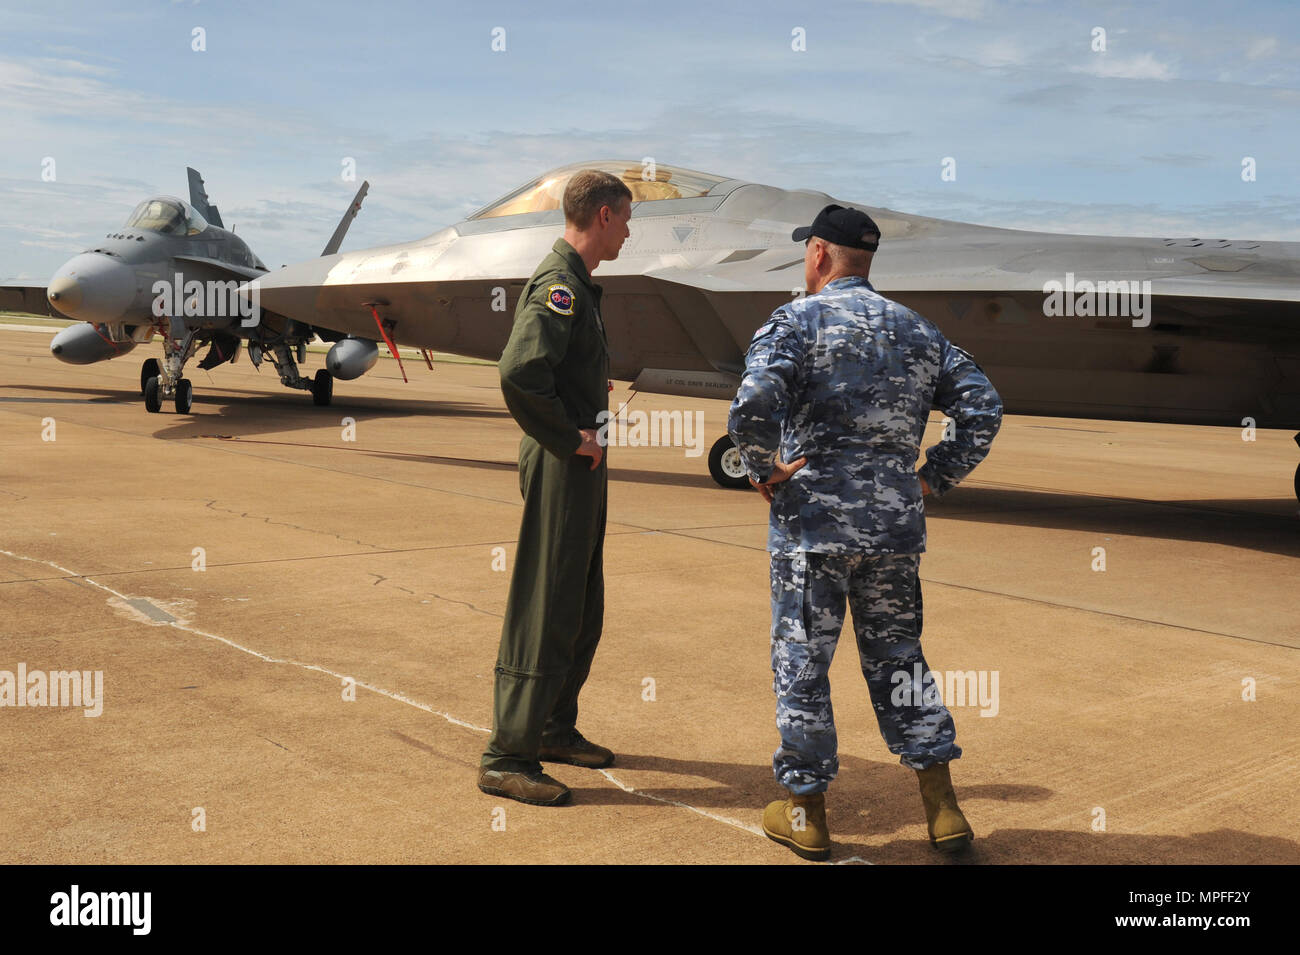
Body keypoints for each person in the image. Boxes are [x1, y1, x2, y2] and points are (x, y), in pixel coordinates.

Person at [727, 204, 1002, 860]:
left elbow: (752, 404)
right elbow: (983, 407)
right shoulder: (917, 331)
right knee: (900, 659)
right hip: (892, 531)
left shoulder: (796, 320)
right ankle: (943, 807)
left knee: (803, 663)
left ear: (818, 255)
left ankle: (807, 813)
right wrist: (934, 474)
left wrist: (764, 468)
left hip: (811, 530)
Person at [477, 169, 633, 807]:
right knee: (547, 600)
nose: (628, 230)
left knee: (580, 599)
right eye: (625, 218)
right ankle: (507, 754)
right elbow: (519, 374)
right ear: (602, 215)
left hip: (579, 466)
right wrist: (570, 438)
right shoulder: (560, 285)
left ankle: (552, 726)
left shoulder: (579, 286)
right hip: (562, 462)